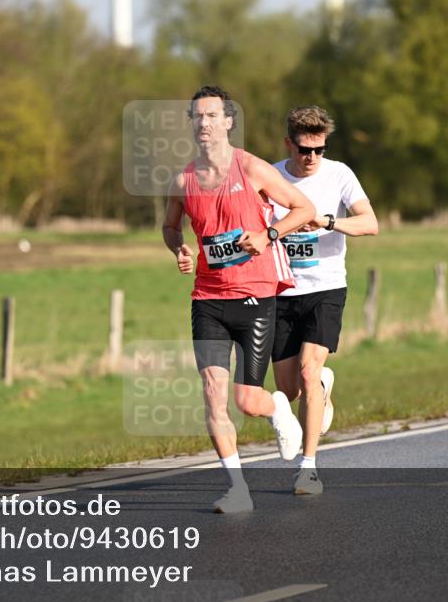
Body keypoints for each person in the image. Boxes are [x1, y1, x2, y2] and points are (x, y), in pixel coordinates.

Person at [162, 86, 315, 513]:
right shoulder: (183, 181)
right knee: (213, 392)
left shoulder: (250, 168)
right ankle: (238, 489)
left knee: (247, 401)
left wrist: (268, 235)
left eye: (212, 115)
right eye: (197, 116)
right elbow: (170, 226)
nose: (204, 123)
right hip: (208, 298)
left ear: (228, 121)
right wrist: (178, 248)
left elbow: (302, 208)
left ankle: (278, 407)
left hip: (254, 294)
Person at [269, 105, 379, 495]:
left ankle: (309, 468)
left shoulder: (339, 174)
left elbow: (370, 223)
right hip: (281, 291)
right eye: (304, 149)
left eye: (320, 149)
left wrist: (328, 222)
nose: (312, 157)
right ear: (289, 143)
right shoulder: (271, 177)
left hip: (326, 288)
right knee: (288, 391)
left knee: (307, 371)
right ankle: (322, 387)